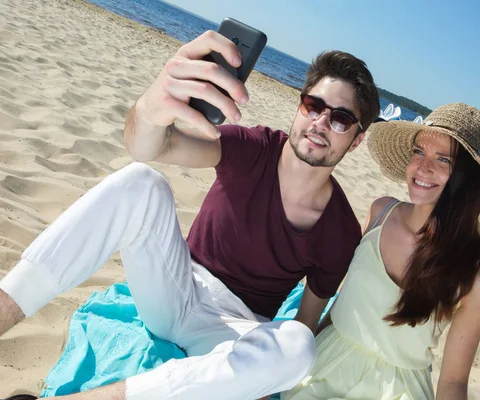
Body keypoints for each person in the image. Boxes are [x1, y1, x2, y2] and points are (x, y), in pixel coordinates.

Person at [0, 30, 380, 400]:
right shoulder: (254, 149)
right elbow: (153, 146)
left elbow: (304, 324)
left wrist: (262, 375)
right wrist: (152, 106)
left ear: (357, 138)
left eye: (341, 119)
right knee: (142, 181)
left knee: (298, 346)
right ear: (300, 107)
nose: (319, 123)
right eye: (313, 106)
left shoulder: (341, 231)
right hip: (176, 286)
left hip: (232, 331)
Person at [282, 103, 480, 400]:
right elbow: (342, 305)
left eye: (443, 159)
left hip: (397, 391)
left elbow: (453, 382)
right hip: (325, 364)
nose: (423, 167)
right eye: (418, 152)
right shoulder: (381, 211)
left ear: (466, 178)